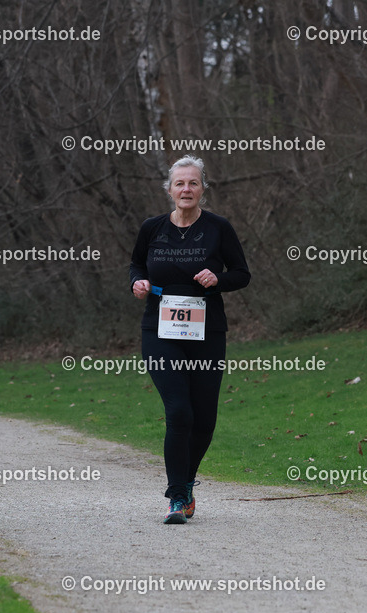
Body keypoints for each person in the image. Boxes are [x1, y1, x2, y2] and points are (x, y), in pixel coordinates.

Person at [129, 155, 251, 524]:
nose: (186, 189)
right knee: (179, 411)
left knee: (204, 420)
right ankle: (177, 496)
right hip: (160, 330)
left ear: (202, 189)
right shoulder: (152, 228)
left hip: (207, 331)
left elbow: (242, 273)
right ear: (169, 190)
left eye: (193, 183)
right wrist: (138, 283)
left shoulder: (218, 228)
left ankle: (186, 481)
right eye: (179, 183)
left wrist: (218, 279)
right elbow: (136, 264)